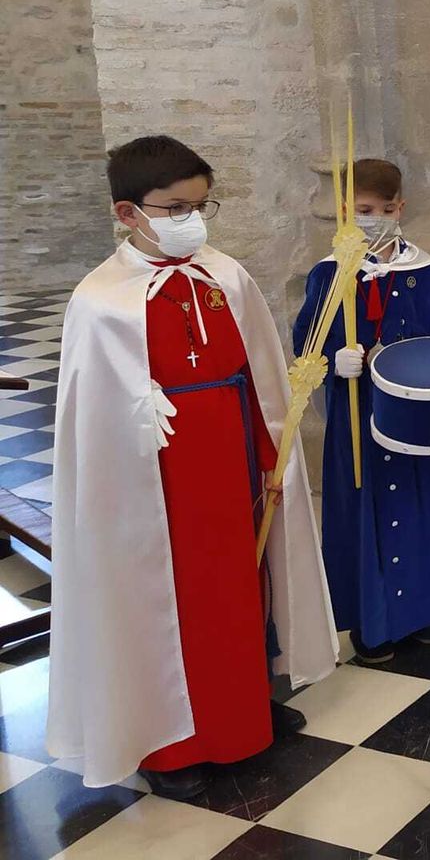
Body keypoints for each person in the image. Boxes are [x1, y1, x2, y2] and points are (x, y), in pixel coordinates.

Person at [48, 136, 336, 800]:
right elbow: (92, 422)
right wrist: (131, 412)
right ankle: (172, 740)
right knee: (172, 603)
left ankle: (241, 719)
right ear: (128, 212)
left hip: (231, 464)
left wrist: (271, 458)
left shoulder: (225, 276)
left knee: (239, 590)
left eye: (202, 206)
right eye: (175, 207)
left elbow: (258, 379)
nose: (192, 219)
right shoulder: (100, 301)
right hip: (157, 484)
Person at [294, 159, 430, 663]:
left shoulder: (427, 272)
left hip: (414, 413)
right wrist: (331, 359)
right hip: (357, 411)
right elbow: (308, 337)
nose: (369, 218)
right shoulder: (331, 273)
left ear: (399, 208)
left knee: (420, 505)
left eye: (379, 210)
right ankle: (373, 620)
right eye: (359, 210)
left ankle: (427, 611)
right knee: (363, 506)